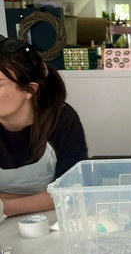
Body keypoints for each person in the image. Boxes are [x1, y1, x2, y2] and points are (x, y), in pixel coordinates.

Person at [0, 36, 88, 222]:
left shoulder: (61, 119)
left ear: (29, 90)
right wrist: (43, 199)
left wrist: (4, 206)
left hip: (55, 221)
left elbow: (72, 191)